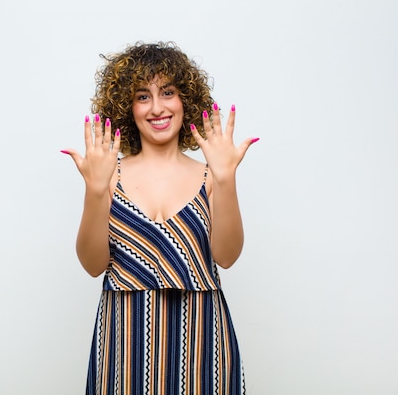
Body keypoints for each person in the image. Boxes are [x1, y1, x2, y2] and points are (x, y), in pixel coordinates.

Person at [62, 42, 258, 395]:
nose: (157, 107)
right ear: (127, 107)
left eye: (167, 92)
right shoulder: (107, 177)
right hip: (124, 344)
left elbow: (227, 257)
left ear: (185, 99)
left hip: (201, 344)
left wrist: (226, 178)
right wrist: (94, 190)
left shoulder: (211, 176)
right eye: (142, 96)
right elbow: (93, 265)